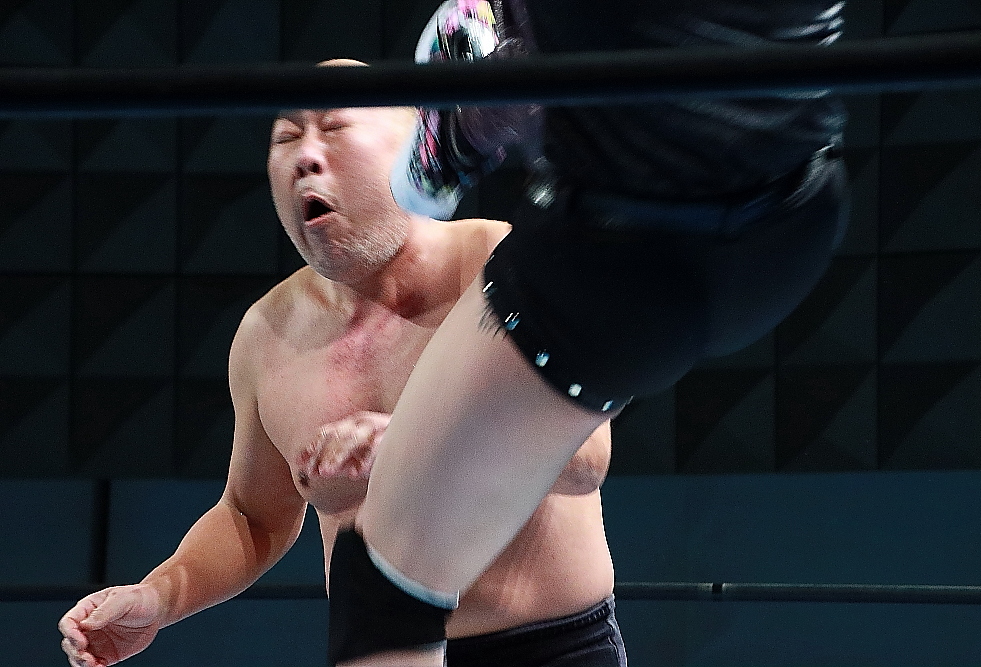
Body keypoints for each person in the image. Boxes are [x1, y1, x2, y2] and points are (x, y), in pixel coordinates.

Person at [325, 1, 853, 664]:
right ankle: (482, 103)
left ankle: (473, 116)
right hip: (793, 228)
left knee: (382, 596)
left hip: (619, 260)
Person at [57, 60, 625, 667]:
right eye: (285, 137)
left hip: (554, 648)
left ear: (411, 149)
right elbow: (252, 516)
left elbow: (585, 458)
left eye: (334, 128)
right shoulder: (267, 335)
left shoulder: (498, 264)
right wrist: (159, 597)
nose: (305, 155)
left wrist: (412, 443)